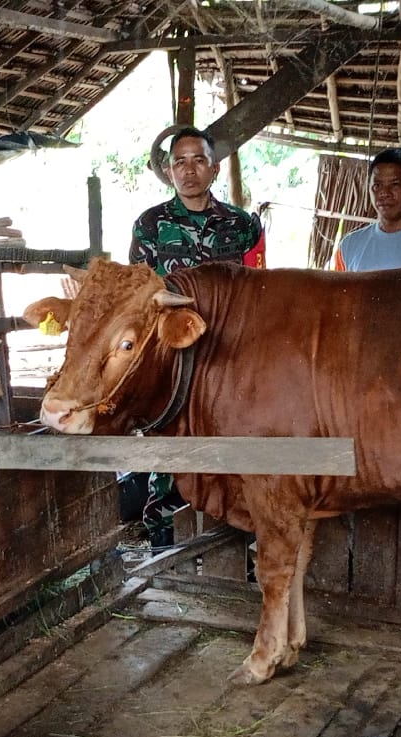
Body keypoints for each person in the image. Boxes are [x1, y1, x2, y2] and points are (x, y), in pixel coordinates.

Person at [126, 126, 266, 549]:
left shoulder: (243, 226)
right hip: (173, 358)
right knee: (170, 439)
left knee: (236, 435)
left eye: (198, 160)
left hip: (230, 354)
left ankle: (240, 531)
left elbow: (260, 291)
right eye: (180, 162)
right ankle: (163, 539)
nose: (189, 170)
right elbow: (141, 293)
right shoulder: (150, 225)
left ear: (214, 168)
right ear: (169, 171)